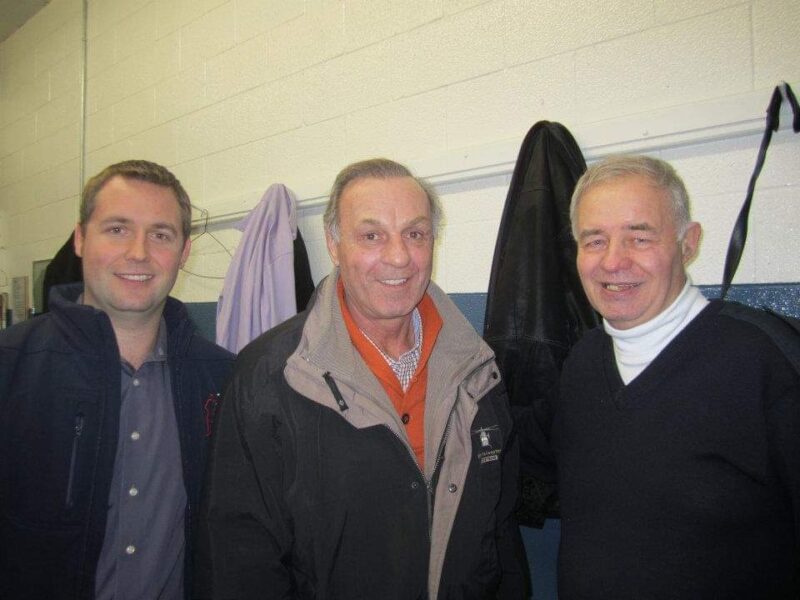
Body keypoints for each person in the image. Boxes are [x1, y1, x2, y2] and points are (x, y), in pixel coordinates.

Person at [195, 158, 529, 599]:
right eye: (372, 236)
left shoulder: (477, 370)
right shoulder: (269, 377)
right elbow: (237, 558)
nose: (398, 257)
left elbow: (501, 534)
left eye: (415, 234)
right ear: (334, 245)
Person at [552, 154, 799, 598]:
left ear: (689, 242)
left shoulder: (767, 362)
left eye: (639, 238)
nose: (613, 262)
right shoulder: (584, 362)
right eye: (594, 241)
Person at [0, 160, 235, 599]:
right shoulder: (11, 367)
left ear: (184, 252)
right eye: (117, 229)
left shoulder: (223, 380)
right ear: (80, 238)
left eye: (161, 235)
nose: (139, 253)